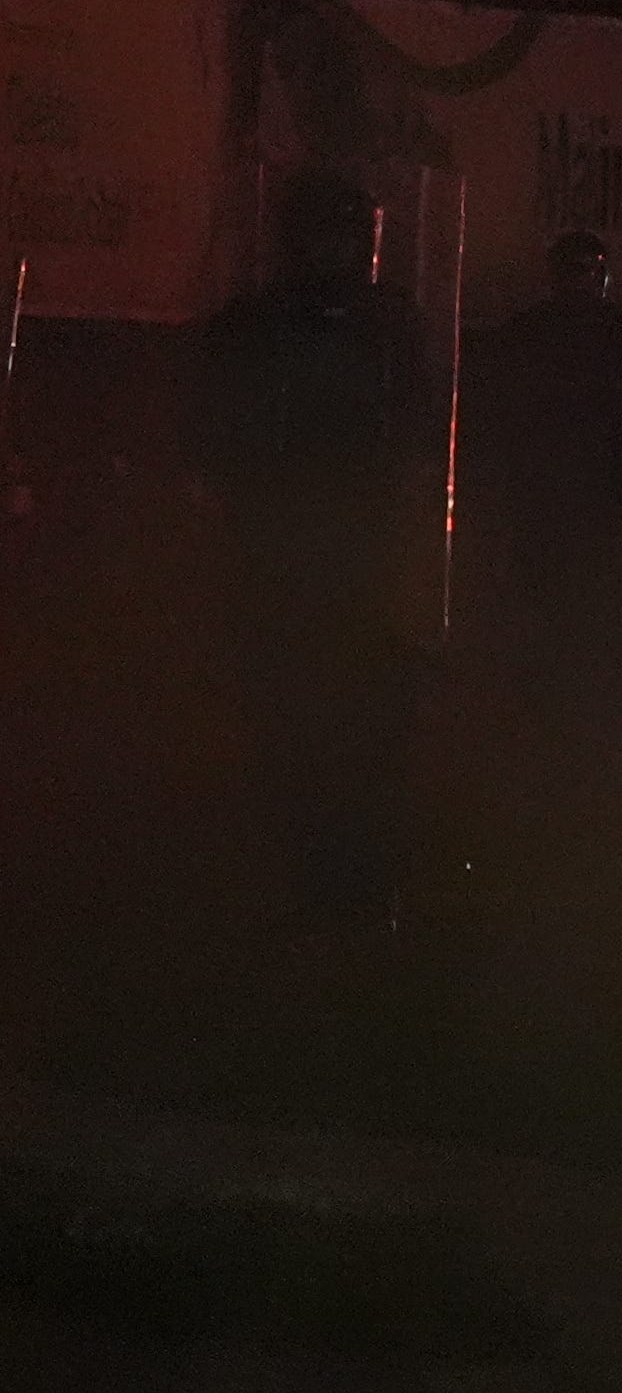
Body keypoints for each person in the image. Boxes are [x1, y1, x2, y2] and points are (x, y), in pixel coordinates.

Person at [186, 166, 437, 932]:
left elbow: (420, 431)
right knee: (322, 719)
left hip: (329, 552)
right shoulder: (367, 325)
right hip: (318, 551)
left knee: (327, 718)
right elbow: (213, 440)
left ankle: (340, 874)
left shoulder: (375, 324)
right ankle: (336, 876)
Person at [469, 229, 622, 698]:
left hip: (561, 487)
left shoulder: (527, 332)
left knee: (558, 596)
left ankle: (557, 685)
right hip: (586, 488)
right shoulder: (621, 333)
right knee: (578, 597)